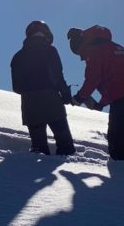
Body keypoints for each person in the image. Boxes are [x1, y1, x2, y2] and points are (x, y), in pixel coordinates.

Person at [67, 25, 124, 161]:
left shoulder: (94, 51)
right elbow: (115, 79)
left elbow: (93, 79)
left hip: (123, 100)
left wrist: (79, 98)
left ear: (81, 45)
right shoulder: (115, 47)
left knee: (117, 145)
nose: (81, 56)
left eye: (80, 52)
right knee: (123, 142)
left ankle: (123, 178)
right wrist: (102, 103)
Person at [10, 20, 76, 155]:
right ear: (46, 35)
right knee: (65, 145)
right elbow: (58, 76)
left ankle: (36, 169)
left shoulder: (17, 57)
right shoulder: (50, 51)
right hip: (51, 100)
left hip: (29, 103)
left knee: (39, 148)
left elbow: (16, 87)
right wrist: (66, 95)